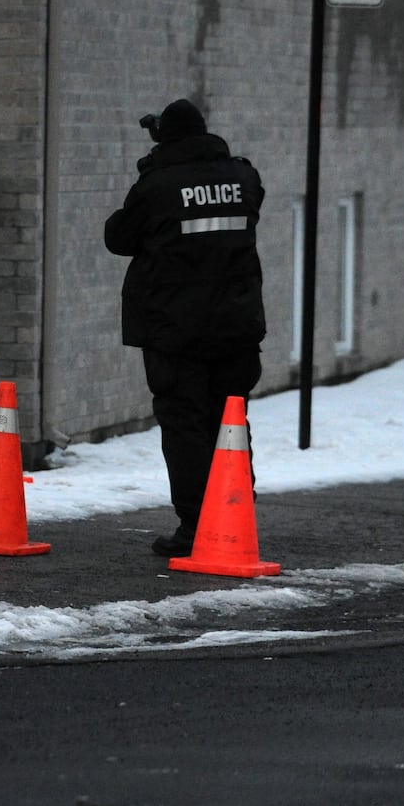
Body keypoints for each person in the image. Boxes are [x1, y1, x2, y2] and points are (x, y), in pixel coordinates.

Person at [104, 99, 266, 557]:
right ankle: (236, 513)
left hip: (175, 330)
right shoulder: (244, 177)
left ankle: (196, 526)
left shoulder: (157, 185)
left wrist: (151, 174)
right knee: (230, 421)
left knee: (185, 426)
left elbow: (119, 237)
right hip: (236, 325)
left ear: (166, 139)